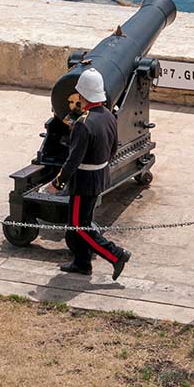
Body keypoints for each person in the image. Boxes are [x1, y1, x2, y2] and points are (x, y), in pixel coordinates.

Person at [52, 68, 132, 280]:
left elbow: (73, 159)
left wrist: (58, 183)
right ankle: (82, 262)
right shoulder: (108, 116)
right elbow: (113, 148)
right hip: (100, 175)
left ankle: (116, 255)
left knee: (80, 226)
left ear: (84, 95)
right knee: (79, 221)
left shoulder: (83, 124)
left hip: (83, 181)